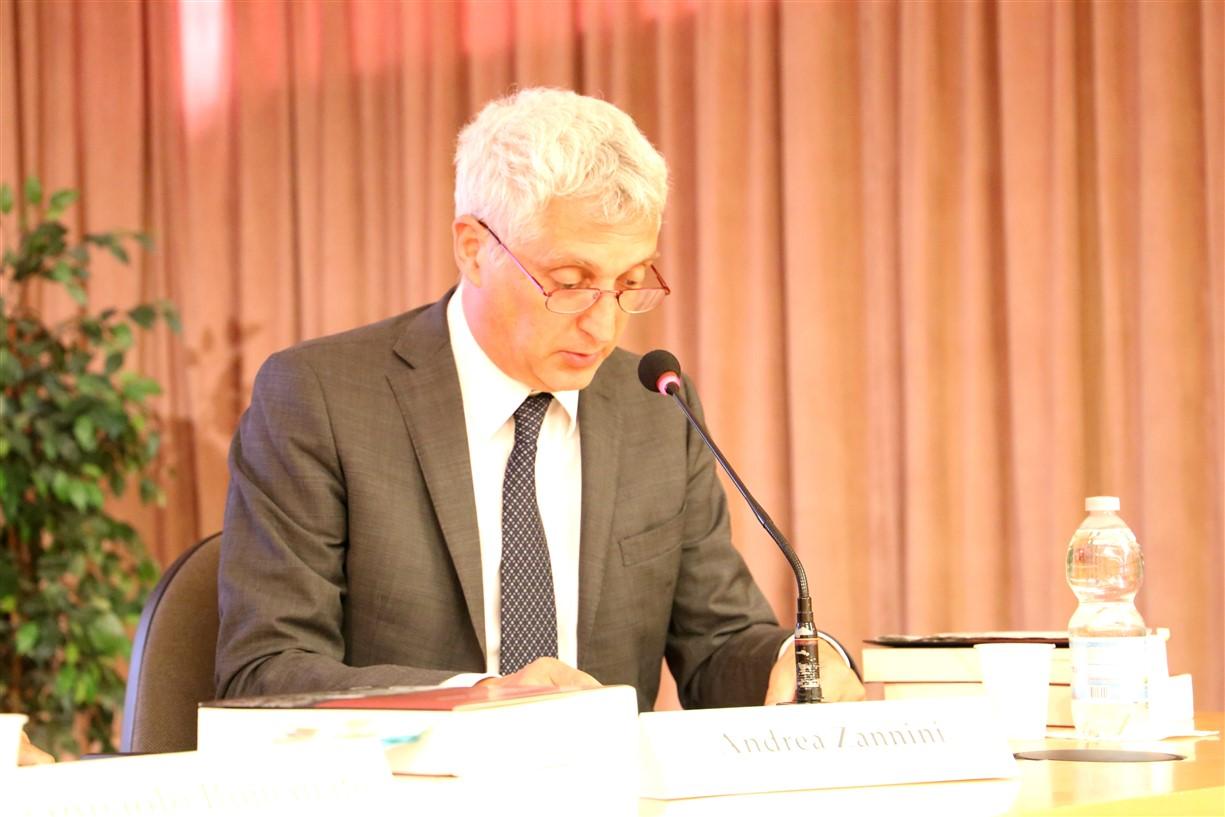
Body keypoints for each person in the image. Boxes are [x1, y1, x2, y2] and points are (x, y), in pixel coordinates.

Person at [215, 87, 863, 710]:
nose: (603, 326)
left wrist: (795, 662)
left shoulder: (654, 408)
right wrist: (480, 698)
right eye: (570, 282)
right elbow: (265, 669)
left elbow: (718, 644)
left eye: (629, 282)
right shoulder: (322, 399)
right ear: (474, 250)